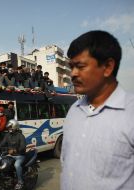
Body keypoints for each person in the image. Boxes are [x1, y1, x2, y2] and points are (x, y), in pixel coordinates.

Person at [61, 30, 134, 190]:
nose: (73, 74)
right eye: (71, 67)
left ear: (108, 67)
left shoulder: (130, 114)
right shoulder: (74, 111)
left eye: (80, 66)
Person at [0, 119, 26, 190]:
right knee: (1, 162)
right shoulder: (7, 135)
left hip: (20, 155)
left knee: (17, 165)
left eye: (10, 127)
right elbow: (2, 143)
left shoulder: (20, 136)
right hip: (10, 155)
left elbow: (23, 147)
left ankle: (20, 182)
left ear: (14, 126)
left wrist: (14, 150)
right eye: (8, 127)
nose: (9, 129)